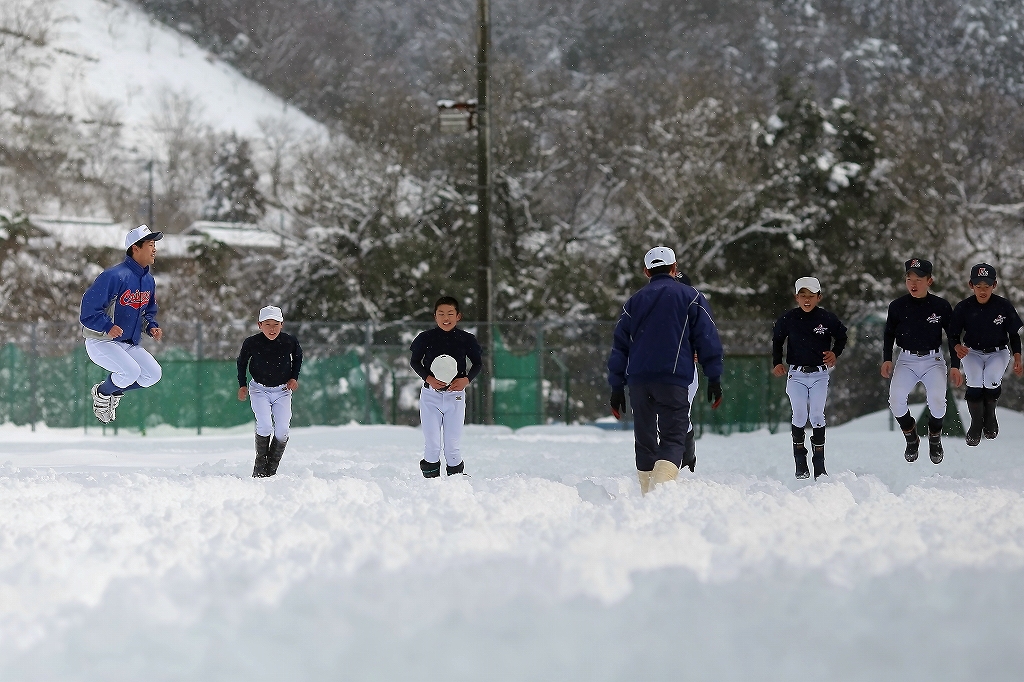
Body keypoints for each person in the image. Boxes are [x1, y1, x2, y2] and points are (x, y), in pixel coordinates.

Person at [608, 246, 724, 496]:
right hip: (673, 378)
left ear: (646, 271)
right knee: (673, 437)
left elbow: (619, 347)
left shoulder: (633, 302)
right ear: (674, 268)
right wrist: (714, 377)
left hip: (638, 380)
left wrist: (616, 386)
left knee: (645, 439)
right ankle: (659, 495)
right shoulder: (691, 296)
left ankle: (646, 494)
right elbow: (707, 338)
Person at [80, 225, 164, 424]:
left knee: (153, 374)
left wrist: (151, 326)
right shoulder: (114, 276)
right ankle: (102, 393)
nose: (154, 249)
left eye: (155, 245)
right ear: (135, 248)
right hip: (101, 341)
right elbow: (88, 310)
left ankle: (113, 391)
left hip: (127, 343)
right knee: (131, 372)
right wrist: (107, 326)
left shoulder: (149, 281)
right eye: (150, 244)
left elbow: (146, 312)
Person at [772, 276, 847, 480]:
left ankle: (819, 464)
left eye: (811, 296)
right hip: (796, 374)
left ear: (819, 297)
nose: (807, 300)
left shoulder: (826, 318)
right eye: (802, 295)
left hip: (819, 375)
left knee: (816, 415)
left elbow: (842, 335)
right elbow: (777, 339)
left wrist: (835, 353)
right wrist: (777, 362)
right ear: (796, 297)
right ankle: (800, 461)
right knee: (798, 415)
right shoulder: (789, 319)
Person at [880, 258, 954, 464]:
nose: (913, 283)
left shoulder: (941, 306)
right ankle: (911, 437)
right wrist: (887, 359)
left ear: (929, 281)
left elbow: (954, 337)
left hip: (933, 359)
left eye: (919, 279)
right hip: (906, 359)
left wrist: (956, 365)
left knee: (938, 402)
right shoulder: (897, 306)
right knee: (895, 401)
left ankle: (934, 438)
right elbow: (888, 334)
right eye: (909, 278)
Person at [948, 263, 1024, 446]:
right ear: (971, 285)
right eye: (978, 286)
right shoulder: (963, 307)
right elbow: (952, 335)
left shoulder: (1003, 306)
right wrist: (957, 348)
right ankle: (976, 422)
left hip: (998, 352)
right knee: (974, 380)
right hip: (972, 351)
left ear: (994, 285)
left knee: (990, 378)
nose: (982, 290)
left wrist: (1018, 357)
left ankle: (990, 415)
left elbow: (1013, 334)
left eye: (987, 286)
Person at [410, 296, 483, 478]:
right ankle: (430, 484)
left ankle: (456, 485)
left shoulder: (466, 339)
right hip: (430, 396)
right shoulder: (425, 338)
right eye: (441, 313)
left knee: (452, 446)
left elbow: (478, 364)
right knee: (432, 444)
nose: (446, 317)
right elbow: (414, 361)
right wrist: (428, 378)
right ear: (435, 316)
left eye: (450, 313)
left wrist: (466, 380)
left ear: (458, 316)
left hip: (455, 397)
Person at [237, 305, 303, 477]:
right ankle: (260, 464)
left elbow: (298, 357)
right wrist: (242, 385)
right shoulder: (252, 342)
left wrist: (294, 377)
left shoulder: (289, 341)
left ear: (282, 324)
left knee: (282, 431)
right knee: (265, 426)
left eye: (276, 324)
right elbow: (241, 362)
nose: (272, 329)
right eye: (267, 324)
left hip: (282, 390)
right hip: (259, 389)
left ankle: (271, 469)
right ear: (260, 325)